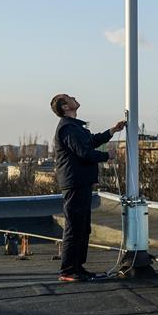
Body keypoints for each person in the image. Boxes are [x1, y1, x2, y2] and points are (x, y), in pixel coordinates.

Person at [51, 94, 125, 282]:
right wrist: (106, 156)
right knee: (75, 227)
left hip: (81, 182)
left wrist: (112, 131)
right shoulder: (68, 128)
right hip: (74, 182)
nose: (74, 98)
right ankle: (68, 270)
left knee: (83, 228)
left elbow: (91, 141)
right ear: (65, 107)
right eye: (69, 98)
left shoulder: (75, 127)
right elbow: (84, 152)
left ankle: (77, 267)